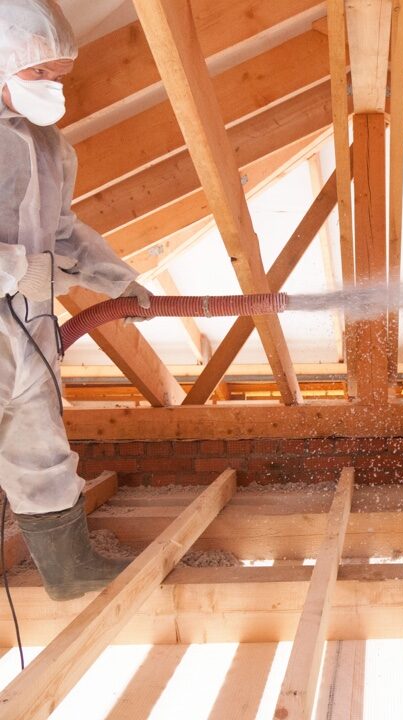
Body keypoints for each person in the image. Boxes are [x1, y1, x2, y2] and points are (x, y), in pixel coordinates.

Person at [1, 0, 151, 600]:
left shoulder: (51, 148)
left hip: (30, 315)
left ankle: (69, 569)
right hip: (14, 296)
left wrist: (119, 282)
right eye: (38, 71)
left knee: (40, 446)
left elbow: (63, 234)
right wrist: (14, 267)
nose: (51, 86)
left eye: (59, 75)